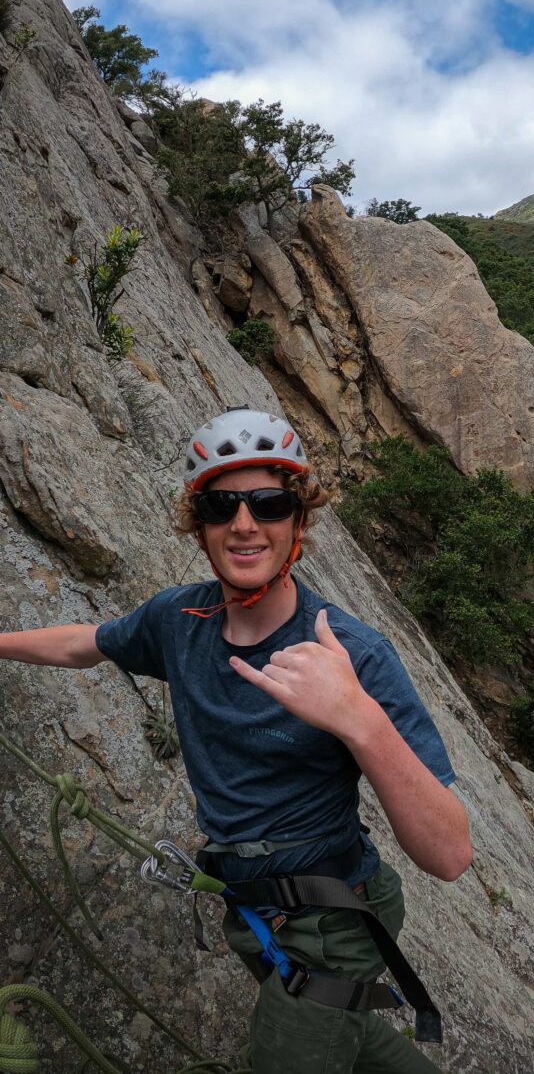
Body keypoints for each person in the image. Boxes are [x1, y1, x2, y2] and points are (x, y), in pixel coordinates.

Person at [0, 407, 473, 1073]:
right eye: (223, 505)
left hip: (335, 917)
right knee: (353, 1037)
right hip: (256, 911)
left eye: (269, 502)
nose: (245, 523)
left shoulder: (354, 656)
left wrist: (356, 716)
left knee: (296, 1041)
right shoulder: (178, 620)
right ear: (201, 526)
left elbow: (451, 851)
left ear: (298, 520)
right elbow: (87, 642)